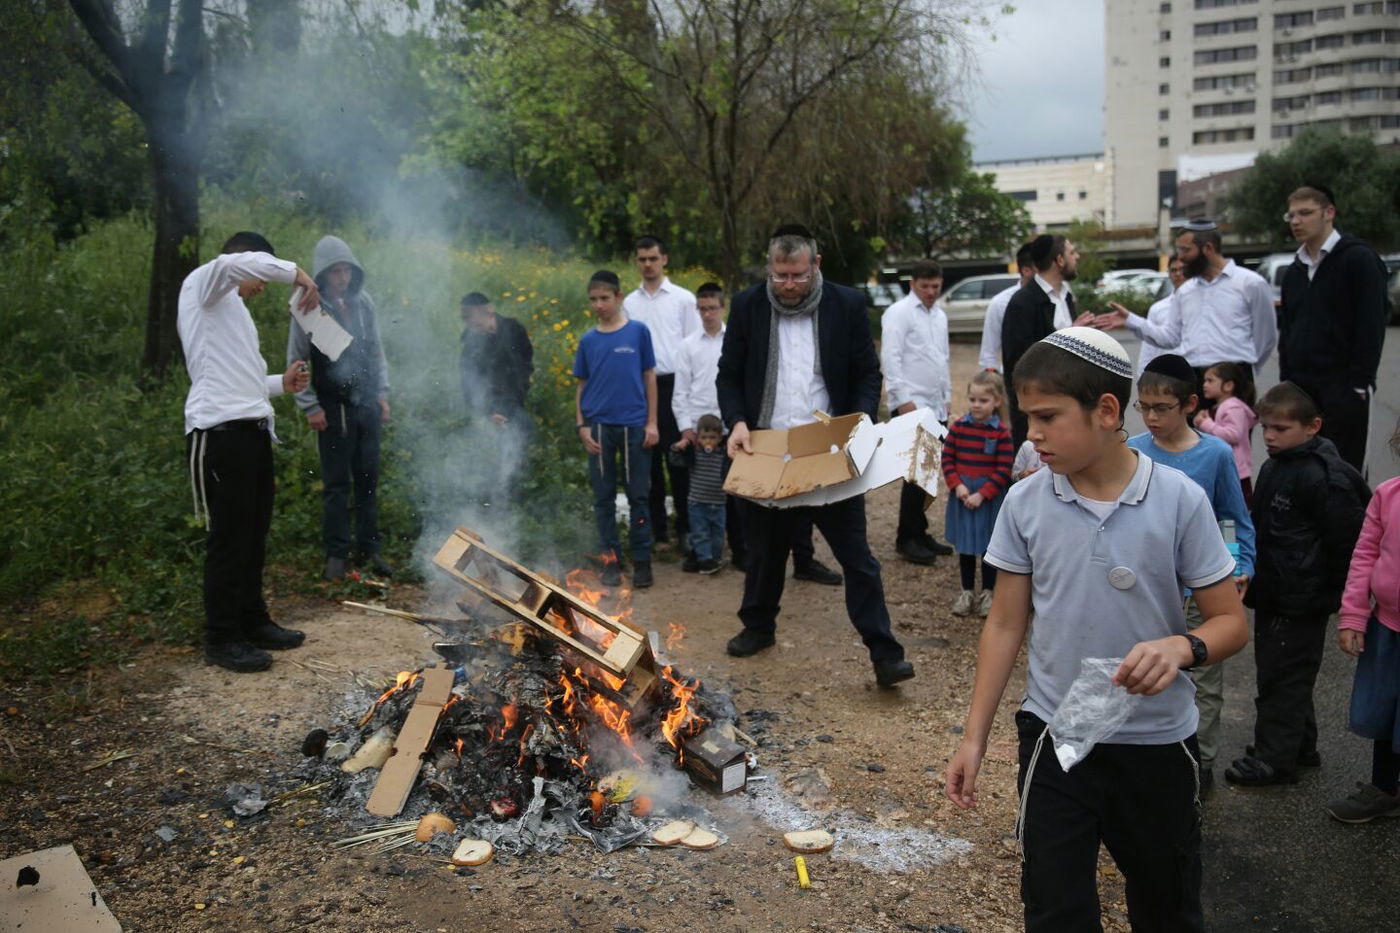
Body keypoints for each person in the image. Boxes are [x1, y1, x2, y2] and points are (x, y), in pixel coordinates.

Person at [945, 327, 1249, 932]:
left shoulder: (1179, 499)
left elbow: (1231, 623)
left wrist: (1182, 647)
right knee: (1056, 908)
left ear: (1107, 411)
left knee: (1167, 905)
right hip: (1058, 736)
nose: (1031, 434)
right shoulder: (1026, 503)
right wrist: (973, 736)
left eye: (1047, 417)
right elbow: (1005, 624)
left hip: (1158, 742)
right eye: (1027, 416)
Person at [717, 225, 913, 687]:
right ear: (770, 267)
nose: (787, 285)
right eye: (780, 275)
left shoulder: (846, 305)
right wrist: (738, 422)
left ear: (816, 265)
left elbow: (868, 371)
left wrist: (860, 422)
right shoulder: (747, 306)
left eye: (797, 276)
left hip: (829, 448)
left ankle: (885, 655)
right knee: (765, 553)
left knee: (857, 557)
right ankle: (758, 627)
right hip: (766, 448)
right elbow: (728, 375)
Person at [181, 231, 321, 673]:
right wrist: (298, 274)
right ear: (243, 260)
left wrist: (282, 383)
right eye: (259, 272)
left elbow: (239, 383)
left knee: (254, 533)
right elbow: (231, 267)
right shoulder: (204, 284)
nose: (261, 285)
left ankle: (252, 622)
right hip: (219, 433)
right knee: (230, 538)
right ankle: (221, 638)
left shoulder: (233, 310)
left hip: (251, 431)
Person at [1225, 382, 1370, 787]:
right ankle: (1297, 746)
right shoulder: (1276, 466)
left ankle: (1275, 761)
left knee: (1282, 678)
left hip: (1301, 599)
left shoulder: (1327, 478)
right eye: (1265, 428)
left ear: (1313, 427)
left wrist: (1338, 598)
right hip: (1276, 591)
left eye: (1281, 429)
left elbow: (1350, 543)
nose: (1269, 437)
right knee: (1285, 673)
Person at [1128, 353, 1256, 792]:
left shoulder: (1216, 454)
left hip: (1200, 591)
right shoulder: (1132, 451)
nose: (1150, 416)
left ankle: (1198, 764)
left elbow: (1231, 516)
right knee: (1147, 670)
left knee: (1205, 681)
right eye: (1142, 407)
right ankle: (1148, 754)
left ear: (1189, 404)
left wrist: (1239, 565)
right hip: (1147, 589)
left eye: (1161, 408)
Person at [287, 235, 392, 581]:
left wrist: (382, 394)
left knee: (368, 479)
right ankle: (336, 553)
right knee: (336, 485)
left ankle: (370, 548)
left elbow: (376, 351)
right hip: (332, 409)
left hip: (367, 405)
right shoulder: (309, 307)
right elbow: (297, 359)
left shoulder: (364, 303)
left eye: (347, 270)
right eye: (336, 272)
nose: (343, 278)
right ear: (322, 274)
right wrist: (310, 406)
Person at [1278, 183, 1390, 474]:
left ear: (1329, 212)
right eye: (1291, 216)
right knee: (1302, 469)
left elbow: (1372, 325)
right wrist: (1286, 384)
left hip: (1344, 388)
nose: (1297, 222)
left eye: (1305, 213)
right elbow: (1287, 331)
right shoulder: (1295, 271)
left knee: (1344, 471)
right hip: (1301, 389)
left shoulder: (1359, 260)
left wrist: (1357, 384)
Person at [1098, 219, 1276, 399]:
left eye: (1185, 250)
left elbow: (1266, 337)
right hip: (1194, 382)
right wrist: (1131, 321)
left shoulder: (1251, 284)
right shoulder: (1185, 292)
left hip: (1235, 383)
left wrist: (1243, 369)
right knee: (1192, 429)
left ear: (1208, 248)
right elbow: (1170, 337)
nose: (1180, 257)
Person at [1327, 420, 1400, 822]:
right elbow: (1364, 557)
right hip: (1387, 626)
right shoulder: (1388, 496)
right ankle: (1384, 789)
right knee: (1383, 711)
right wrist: (1354, 615)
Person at [574, 270, 659, 589]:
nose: (599, 305)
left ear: (619, 297)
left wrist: (652, 422)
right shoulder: (588, 340)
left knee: (639, 496)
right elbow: (581, 386)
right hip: (597, 427)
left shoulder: (638, 332)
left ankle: (642, 563)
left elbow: (650, 377)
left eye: (604, 298)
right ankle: (610, 562)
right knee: (603, 498)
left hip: (634, 425)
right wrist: (581, 425)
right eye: (593, 299)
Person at [622, 236, 700, 549]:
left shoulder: (683, 299)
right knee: (647, 463)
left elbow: (695, 346)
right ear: (636, 262)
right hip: (641, 388)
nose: (648, 264)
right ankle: (657, 532)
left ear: (664, 259)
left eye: (653, 258)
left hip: (675, 386)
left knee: (679, 460)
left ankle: (686, 528)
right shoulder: (629, 303)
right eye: (642, 259)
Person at [880, 258, 955, 564]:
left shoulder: (939, 316)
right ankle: (905, 537)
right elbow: (891, 358)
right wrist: (901, 400)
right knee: (913, 474)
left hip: (936, 404)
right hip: (912, 404)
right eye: (924, 286)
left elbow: (942, 358)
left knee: (928, 472)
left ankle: (920, 530)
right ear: (913, 284)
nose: (930, 292)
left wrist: (947, 395)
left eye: (935, 286)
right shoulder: (898, 314)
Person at [672, 282, 744, 571]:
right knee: (696, 491)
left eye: (712, 308)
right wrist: (686, 429)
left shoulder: (735, 341)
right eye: (702, 309)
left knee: (736, 490)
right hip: (700, 432)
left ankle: (740, 550)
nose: (707, 314)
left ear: (722, 307)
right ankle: (700, 551)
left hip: (730, 426)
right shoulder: (688, 345)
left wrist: (740, 422)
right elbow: (681, 391)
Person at [1001, 234, 1093, 448]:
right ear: (1059, 260)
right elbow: (1018, 358)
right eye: (1071, 252)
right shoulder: (1023, 302)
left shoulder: (1066, 297)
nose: (1076, 257)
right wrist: (1068, 335)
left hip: (1067, 401)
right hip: (1037, 412)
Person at [942, 371, 1014, 617]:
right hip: (963, 498)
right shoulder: (959, 428)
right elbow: (948, 459)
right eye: (972, 399)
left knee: (987, 548)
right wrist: (957, 486)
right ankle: (966, 592)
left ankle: (988, 593)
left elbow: (1004, 468)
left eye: (982, 401)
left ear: (996, 402)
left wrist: (983, 494)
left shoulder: (1001, 433)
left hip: (987, 501)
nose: (976, 405)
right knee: (965, 547)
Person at [459, 291, 535, 501]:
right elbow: (469, 385)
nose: (467, 323)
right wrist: (488, 412)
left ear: (488, 312)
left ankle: (510, 512)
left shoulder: (513, 330)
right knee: (488, 470)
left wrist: (507, 409)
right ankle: (488, 512)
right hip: (488, 414)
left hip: (513, 409)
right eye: (464, 318)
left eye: (469, 317)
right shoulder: (470, 343)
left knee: (513, 464)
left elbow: (524, 370)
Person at [1193, 361, 1258, 506]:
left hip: (1236, 472)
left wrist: (1206, 424)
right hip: (1222, 469)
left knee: (1236, 510)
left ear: (1228, 386)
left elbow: (1233, 435)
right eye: (1204, 381)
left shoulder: (1233, 407)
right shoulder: (1218, 407)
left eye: (1210, 381)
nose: (1204, 385)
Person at [977, 242, 1036, 372]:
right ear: (1026, 270)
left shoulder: (1060, 297)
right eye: (1042, 267)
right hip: (1015, 381)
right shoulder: (1001, 303)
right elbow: (989, 354)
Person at [687, 414, 728, 575]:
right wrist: (680, 446)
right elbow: (676, 459)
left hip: (719, 503)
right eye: (704, 437)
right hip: (697, 503)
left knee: (718, 534)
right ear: (698, 437)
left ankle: (714, 559)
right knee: (700, 533)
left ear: (720, 438)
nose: (708, 441)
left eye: (712, 437)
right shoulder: (695, 454)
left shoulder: (723, 455)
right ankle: (704, 560)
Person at [1133, 257, 1187, 379]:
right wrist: (1143, 376)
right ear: (1169, 274)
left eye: (1182, 269)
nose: (1178, 274)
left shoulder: (1203, 304)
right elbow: (1149, 347)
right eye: (1174, 270)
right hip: (1169, 375)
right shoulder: (1158, 309)